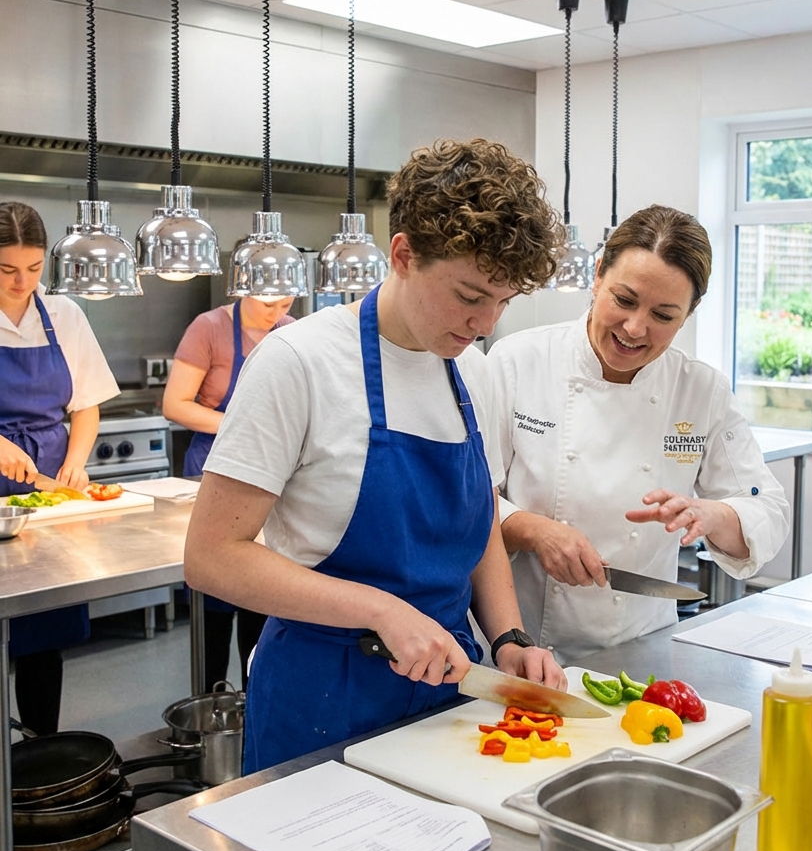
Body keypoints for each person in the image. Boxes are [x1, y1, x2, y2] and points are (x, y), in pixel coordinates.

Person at [184, 139, 566, 773]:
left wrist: (508, 636)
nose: (485, 322)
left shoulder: (476, 373)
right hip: (322, 697)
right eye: (470, 296)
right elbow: (210, 558)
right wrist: (380, 609)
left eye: (503, 301)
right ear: (403, 254)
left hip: (448, 691)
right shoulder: (298, 363)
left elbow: (481, 527)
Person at [489, 205, 790, 664]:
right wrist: (533, 530)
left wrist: (708, 514)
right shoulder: (518, 361)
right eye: (624, 300)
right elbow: (468, 496)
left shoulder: (699, 389)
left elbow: (767, 509)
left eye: (663, 315)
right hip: (523, 644)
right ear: (597, 276)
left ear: (690, 313)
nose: (634, 328)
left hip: (642, 647)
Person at [0, 201, 119, 734]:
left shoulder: (65, 315)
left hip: (45, 489)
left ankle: (38, 754)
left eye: (32, 268)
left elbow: (87, 404)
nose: (21, 282)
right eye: (6, 271)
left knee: (41, 630)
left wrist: (74, 462)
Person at [162, 294, 294, 692]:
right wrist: (243, 425)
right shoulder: (209, 328)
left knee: (260, 608)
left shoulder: (290, 334)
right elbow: (175, 404)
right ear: (242, 286)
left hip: (274, 481)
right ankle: (210, 710)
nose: (276, 309)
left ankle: (251, 714)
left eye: (285, 299)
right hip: (213, 471)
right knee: (214, 608)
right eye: (266, 299)